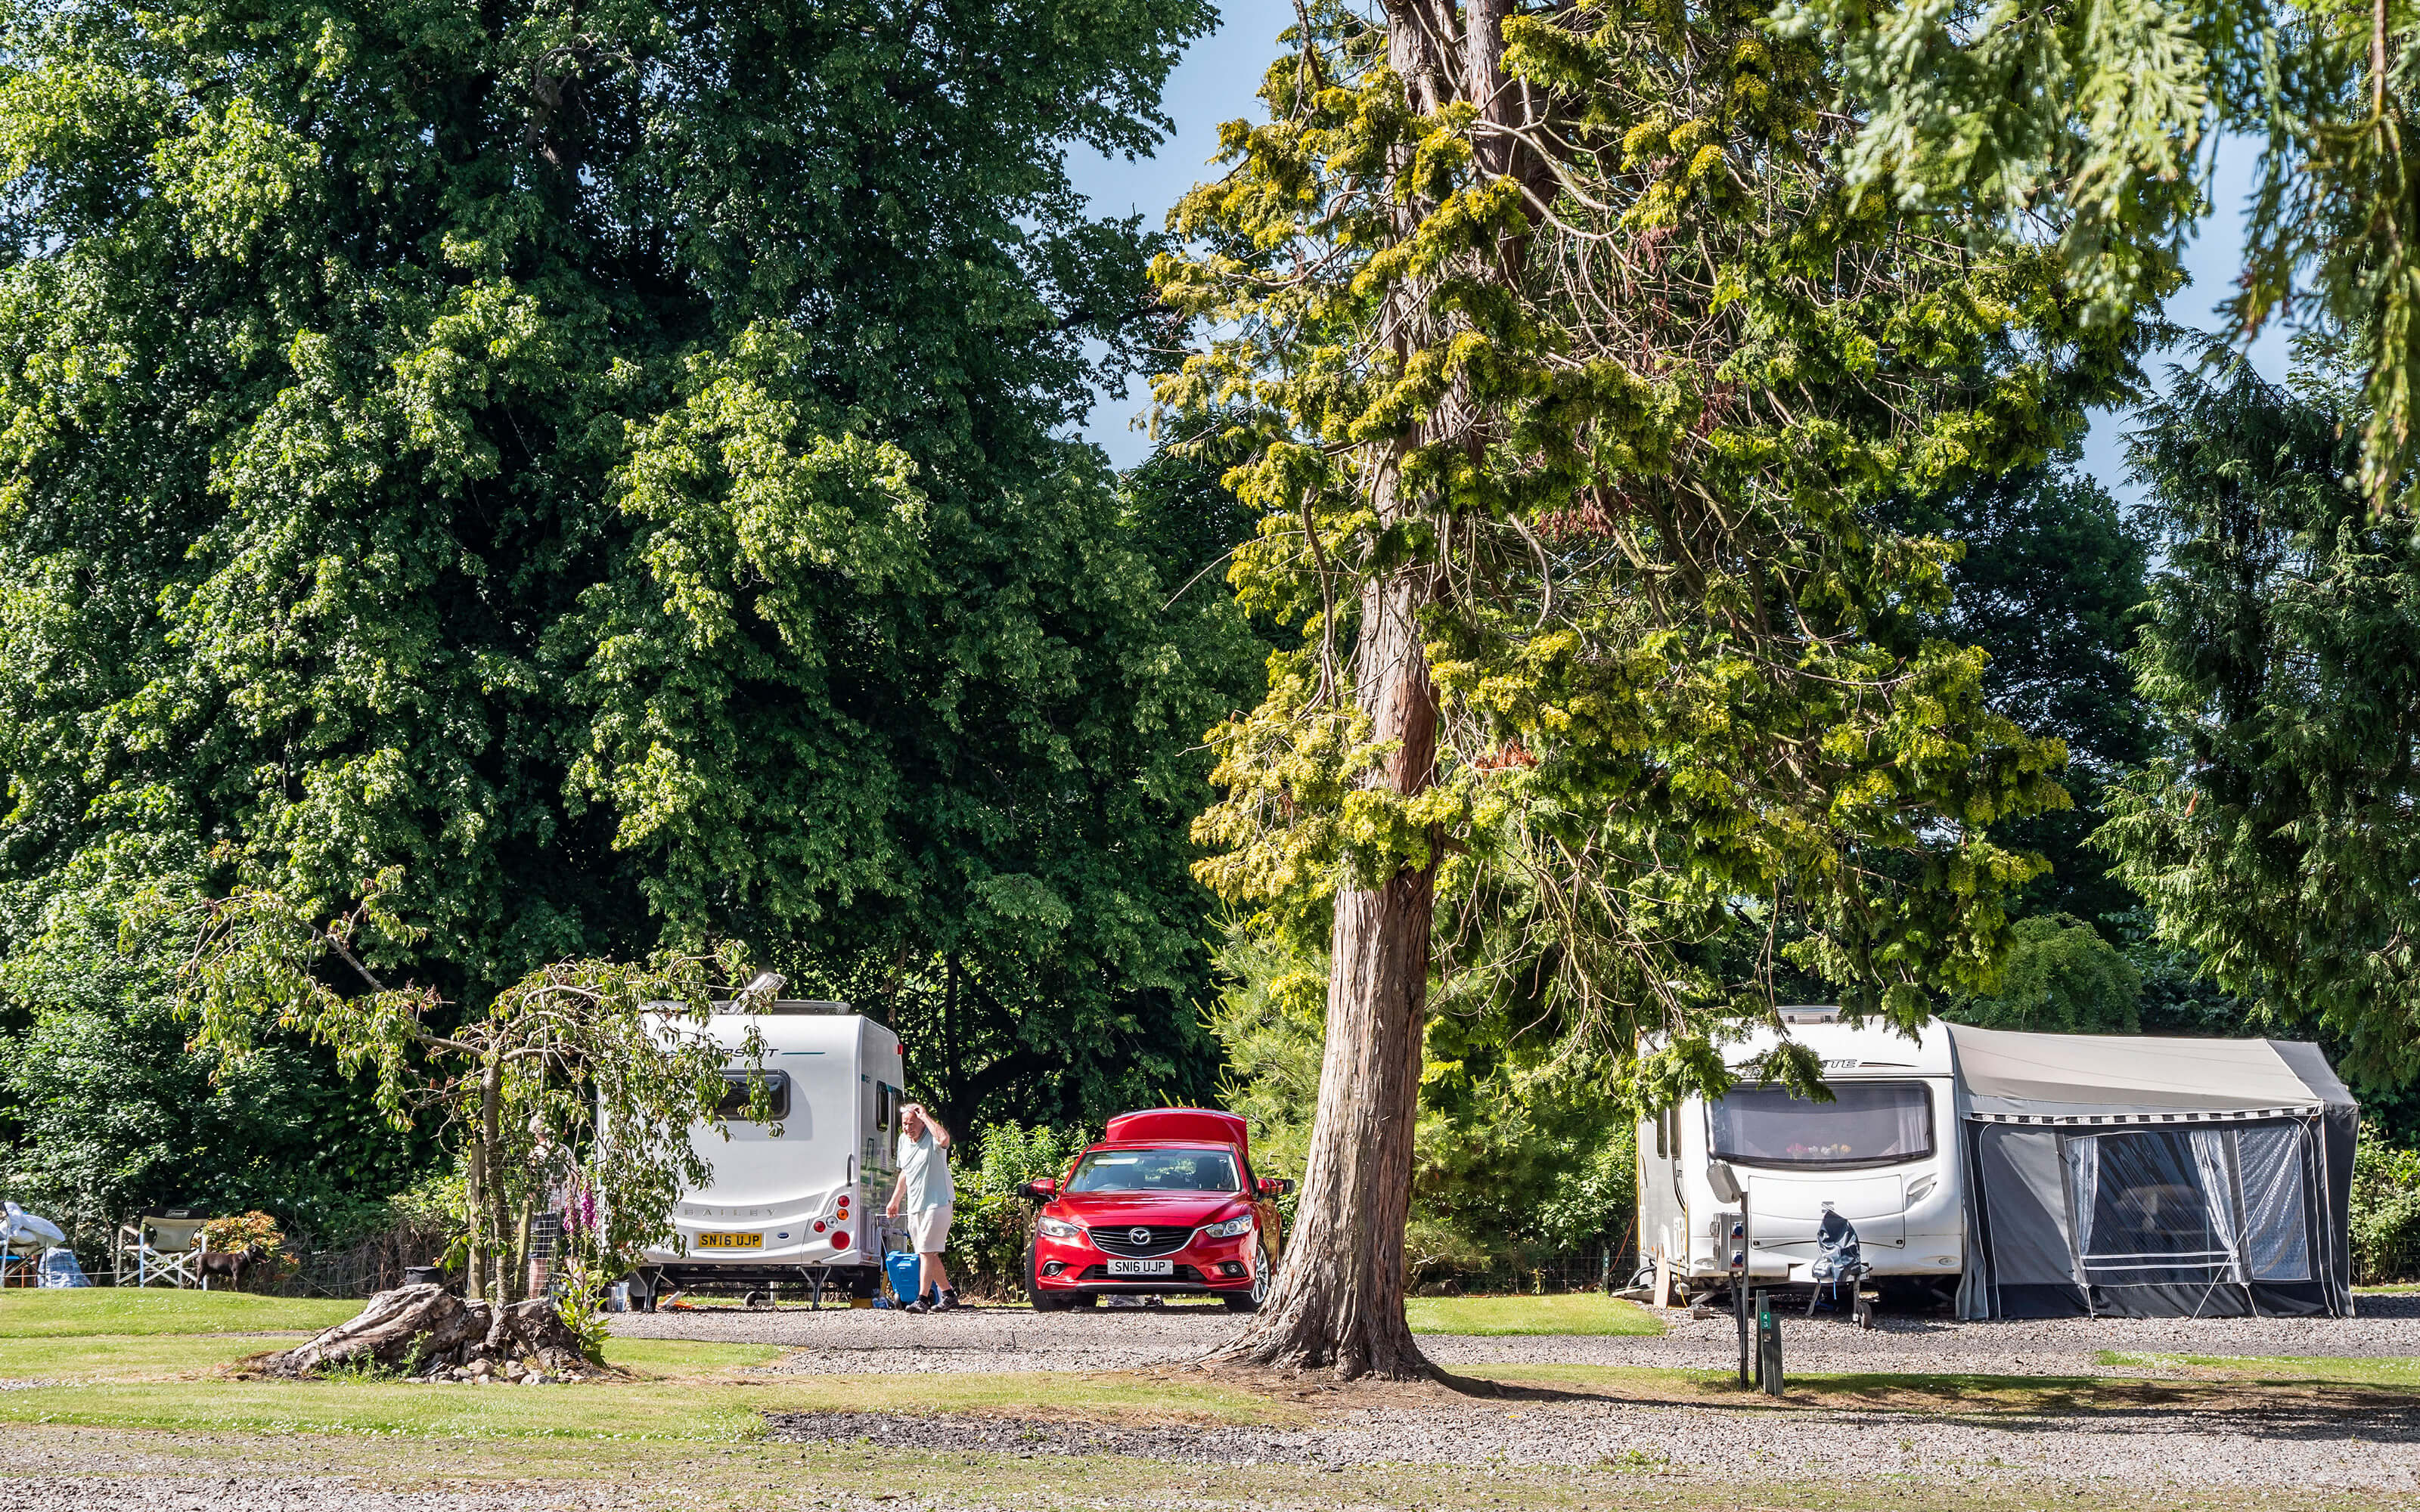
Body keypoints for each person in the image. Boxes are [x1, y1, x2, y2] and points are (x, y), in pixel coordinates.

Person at [886, 1102, 957, 1312]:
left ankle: (922, 1299)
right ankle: (949, 1295)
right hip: (916, 1205)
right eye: (904, 1124)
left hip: (938, 1203)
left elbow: (944, 1140)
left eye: (912, 1123)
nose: (907, 1128)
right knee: (927, 1254)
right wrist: (895, 1200)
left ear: (922, 1123)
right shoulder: (903, 1140)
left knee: (926, 1251)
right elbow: (905, 1173)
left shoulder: (932, 1137)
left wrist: (925, 1115)